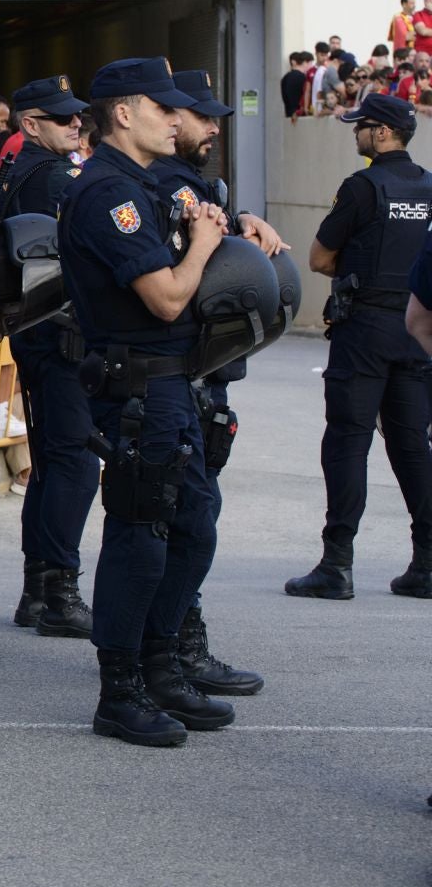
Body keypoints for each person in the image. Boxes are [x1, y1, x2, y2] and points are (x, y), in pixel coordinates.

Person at [58, 57, 234, 748]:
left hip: (170, 383)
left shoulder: (142, 186)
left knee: (193, 523)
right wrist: (202, 244)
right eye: (162, 108)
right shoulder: (108, 193)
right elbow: (163, 296)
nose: (176, 118)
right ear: (123, 113)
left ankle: (161, 664)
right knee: (142, 536)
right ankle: (120, 687)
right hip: (138, 385)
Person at [149, 70, 279, 692]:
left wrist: (240, 219)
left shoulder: (194, 185)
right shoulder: (163, 185)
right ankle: (171, 648)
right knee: (186, 516)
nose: (211, 128)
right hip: (175, 373)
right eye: (202, 117)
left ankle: (173, 643)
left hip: (201, 375)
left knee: (191, 514)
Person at [292, 92, 432, 601]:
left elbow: (320, 258)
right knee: (413, 443)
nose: (355, 134)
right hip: (417, 331)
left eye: (360, 127)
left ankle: (337, 564)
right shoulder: (430, 187)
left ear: (381, 133)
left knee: (348, 440)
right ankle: (427, 563)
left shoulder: (362, 186)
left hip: (365, 329)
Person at [0, 75, 97, 638]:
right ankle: (59, 590)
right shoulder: (54, 174)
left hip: (41, 331)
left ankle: (40, 589)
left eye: (76, 115)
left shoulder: (19, 169)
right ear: (30, 125)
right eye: (62, 118)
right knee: (74, 462)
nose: (75, 124)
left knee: (55, 463)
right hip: (61, 334)